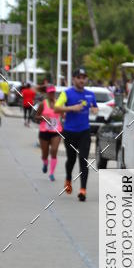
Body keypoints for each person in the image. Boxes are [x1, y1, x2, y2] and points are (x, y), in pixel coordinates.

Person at [54, 68, 98, 201]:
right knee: (71, 159)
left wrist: (95, 109)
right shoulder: (66, 93)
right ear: (73, 79)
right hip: (70, 132)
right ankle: (68, 178)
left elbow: (95, 107)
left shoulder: (90, 94)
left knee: (83, 161)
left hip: (84, 131)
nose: (82, 80)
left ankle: (83, 190)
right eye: (79, 77)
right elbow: (56, 107)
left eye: (84, 77)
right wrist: (71, 108)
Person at [33, 85, 62, 180]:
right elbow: (35, 117)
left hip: (56, 131)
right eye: (50, 93)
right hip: (44, 131)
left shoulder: (59, 103)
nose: (52, 94)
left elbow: (64, 114)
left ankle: (51, 173)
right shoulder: (42, 104)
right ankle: (45, 163)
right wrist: (43, 117)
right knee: (45, 154)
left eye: (53, 92)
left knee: (54, 151)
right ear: (47, 93)